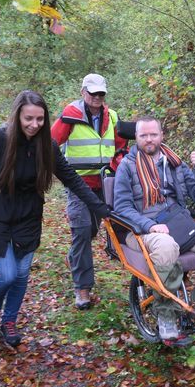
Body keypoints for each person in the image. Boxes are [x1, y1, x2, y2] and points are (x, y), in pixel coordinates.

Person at [0, 90, 110, 347]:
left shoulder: (47, 146)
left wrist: (100, 207)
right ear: (17, 115)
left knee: (20, 275)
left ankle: (9, 320)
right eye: (29, 118)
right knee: (6, 275)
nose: (34, 125)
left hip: (28, 218)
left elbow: (72, 178)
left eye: (40, 119)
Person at [113, 116, 195, 342]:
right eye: (143, 135)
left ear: (161, 135)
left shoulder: (175, 163)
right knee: (166, 246)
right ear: (136, 138)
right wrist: (150, 225)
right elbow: (121, 207)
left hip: (178, 225)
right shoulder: (127, 167)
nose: (149, 139)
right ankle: (166, 315)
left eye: (153, 134)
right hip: (140, 230)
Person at [51, 73, 128, 310]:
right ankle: (82, 289)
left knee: (91, 230)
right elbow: (50, 144)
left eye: (101, 93)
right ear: (83, 92)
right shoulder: (70, 116)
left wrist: (116, 168)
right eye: (92, 92)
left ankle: (75, 257)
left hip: (105, 186)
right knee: (82, 230)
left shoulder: (112, 117)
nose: (97, 97)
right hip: (78, 184)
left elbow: (121, 147)